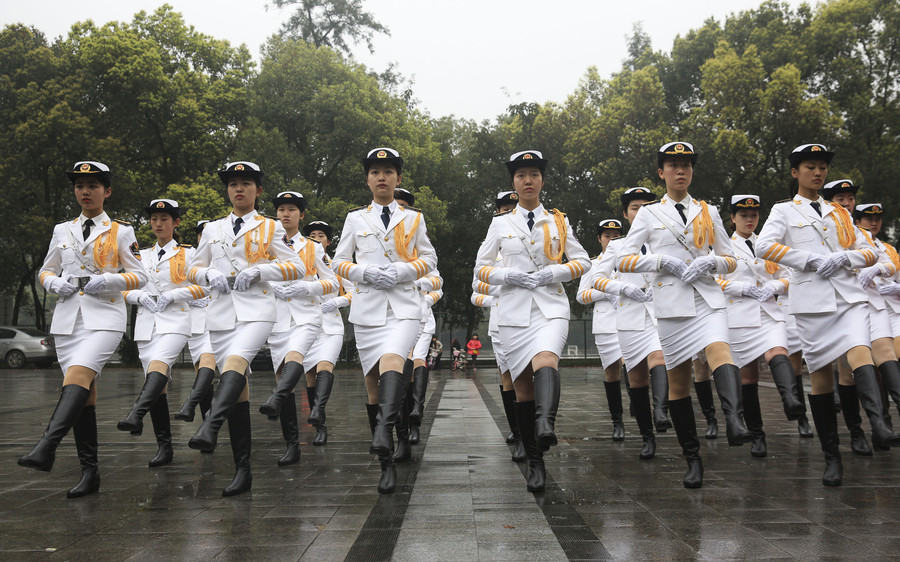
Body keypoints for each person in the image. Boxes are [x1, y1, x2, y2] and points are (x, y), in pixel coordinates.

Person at [616, 141, 751, 489]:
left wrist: (712, 262)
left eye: (687, 164)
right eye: (673, 165)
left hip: (707, 296)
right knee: (678, 383)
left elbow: (731, 258)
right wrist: (662, 262)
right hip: (671, 303)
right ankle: (692, 457)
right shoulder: (648, 214)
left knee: (719, 348)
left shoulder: (709, 211)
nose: (681, 170)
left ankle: (735, 419)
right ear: (661, 172)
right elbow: (624, 259)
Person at [757, 143, 893, 486]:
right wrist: (808, 259)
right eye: (810, 167)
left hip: (848, 297)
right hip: (812, 303)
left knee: (860, 351)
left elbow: (868, 251)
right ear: (795, 172)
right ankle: (832, 457)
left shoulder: (841, 212)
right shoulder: (784, 211)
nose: (818, 173)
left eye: (822, 167)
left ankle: (878, 423)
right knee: (819, 378)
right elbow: (764, 246)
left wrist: (846, 259)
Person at [20, 161, 147, 498]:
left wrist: (111, 279)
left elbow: (141, 276)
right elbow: (46, 271)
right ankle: (90, 473)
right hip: (67, 321)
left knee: (76, 377)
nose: (85, 191)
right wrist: (54, 284)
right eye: (79, 186)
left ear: (106, 191)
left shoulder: (122, 231)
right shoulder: (63, 230)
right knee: (84, 395)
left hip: (104, 317)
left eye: (92, 185)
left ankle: (46, 445)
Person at [474, 149, 591, 492]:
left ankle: (545, 422)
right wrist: (507, 276)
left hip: (550, 306)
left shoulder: (558, 220)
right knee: (523, 388)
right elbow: (481, 268)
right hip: (512, 312)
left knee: (546, 360)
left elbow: (582, 261)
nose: (528, 180)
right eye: (522, 175)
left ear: (542, 180)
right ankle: (535, 461)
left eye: (534, 174)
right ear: (514, 181)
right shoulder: (500, 223)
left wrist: (554, 271)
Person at [186, 161, 305, 496]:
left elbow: (295, 266)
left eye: (246, 183)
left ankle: (210, 425)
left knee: (235, 364)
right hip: (222, 313)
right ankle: (243, 470)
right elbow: (192, 270)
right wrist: (209, 275)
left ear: (258, 190)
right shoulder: (212, 229)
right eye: (233, 183)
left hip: (258, 310)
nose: (239, 189)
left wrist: (262, 271)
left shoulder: (269, 227)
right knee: (237, 388)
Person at [331, 147, 437, 494]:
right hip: (368, 310)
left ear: (398, 179)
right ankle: (388, 455)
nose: (381, 177)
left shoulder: (414, 218)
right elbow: (339, 262)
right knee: (375, 385)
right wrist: (365, 273)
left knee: (394, 361)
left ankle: (382, 435)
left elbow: (429, 259)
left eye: (388, 172)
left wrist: (402, 271)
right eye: (375, 172)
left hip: (405, 307)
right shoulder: (355, 219)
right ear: (367, 179)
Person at [118, 199, 209, 469]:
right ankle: (164, 446)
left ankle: (137, 412)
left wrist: (174, 294)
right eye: (154, 219)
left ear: (175, 222)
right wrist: (139, 297)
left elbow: (204, 288)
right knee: (157, 384)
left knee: (159, 367)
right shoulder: (140, 256)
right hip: (147, 324)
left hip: (177, 320)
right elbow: (123, 287)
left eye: (164, 219)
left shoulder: (189, 253)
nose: (158, 224)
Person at [717, 195, 807, 458]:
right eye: (743, 215)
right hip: (739, 315)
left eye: (754, 214)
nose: (749, 219)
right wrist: (738, 287)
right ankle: (757, 434)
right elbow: (712, 279)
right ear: (733, 218)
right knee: (748, 378)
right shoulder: (724, 247)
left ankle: (790, 400)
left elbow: (787, 274)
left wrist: (775, 286)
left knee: (778, 352)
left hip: (768, 310)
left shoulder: (767, 245)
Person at [593, 186, 672, 459]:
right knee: (637, 378)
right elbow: (596, 279)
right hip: (629, 317)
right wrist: (620, 288)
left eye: (645, 206)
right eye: (634, 208)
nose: (640, 212)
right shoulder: (616, 246)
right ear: (625, 214)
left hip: (659, 313)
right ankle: (647, 436)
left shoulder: (663, 239)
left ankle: (661, 410)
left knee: (659, 358)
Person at [823, 179, 899, 453]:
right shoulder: (822, 231)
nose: (846, 203)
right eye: (840, 199)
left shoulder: (863, 235)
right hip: (842, 306)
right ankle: (856, 431)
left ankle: (883, 426)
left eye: (850, 199)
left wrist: (879, 270)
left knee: (886, 357)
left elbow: (890, 261)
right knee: (848, 373)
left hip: (872, 304)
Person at [262, 191, 336, 466]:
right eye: (281, 209)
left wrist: (307, 286)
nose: (285, 214)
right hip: (277, 318)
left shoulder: (312, 248)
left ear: (301, 215)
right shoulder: (264, 245)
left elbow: (332, 284)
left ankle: (290, 407)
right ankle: (291, 443)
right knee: (283, 378)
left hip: (306, 315)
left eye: (291, 209)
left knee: (296, 361)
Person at [471, 190, 527, 463]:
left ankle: (532, 426)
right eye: (504, 209)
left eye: (512, 208)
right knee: (509, 378)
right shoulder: (491, 246)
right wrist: (497, 293)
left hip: (533, 315)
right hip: (502, 318)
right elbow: (475, 289)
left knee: (532, 375)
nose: (508, 212)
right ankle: (517, 430)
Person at [392, 188, 444, 453]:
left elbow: (437, 283)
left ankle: (415, 413)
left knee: (417, 361)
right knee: (400, 370)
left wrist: (419, 288)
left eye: (403, 207)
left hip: (421, 318)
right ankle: (402, 428)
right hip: (392, 318)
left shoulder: (420, 245)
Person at [302, 220, 353, 446]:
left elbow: (354, 293)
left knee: (325, 366)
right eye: (312, 235)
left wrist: (338, 302)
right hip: (306, 326)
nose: (316, 239)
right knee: (310, 376)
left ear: (328, 241)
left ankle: (318, 411)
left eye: (320, 235)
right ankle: (320, 425)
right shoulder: (300, 265)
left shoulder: (337, 267)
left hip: (331, 325)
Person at [577, 219, 627, 442]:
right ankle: (617, 421)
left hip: (630, 319)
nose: (611, 240)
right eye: (607, 236)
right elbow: (582, 295)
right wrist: (605, 292)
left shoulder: (629, 260)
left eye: (616, 235)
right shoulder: (593, 264)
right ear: (599, 239)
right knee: (612, 371)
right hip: (606, 323)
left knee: (633, 364)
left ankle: (639, 402)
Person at [855, 203, 900, 420]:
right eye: (868, 218)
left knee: (891, 361)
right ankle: (883, 421)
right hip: (867, 310)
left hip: (893, 311)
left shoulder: (889, 250)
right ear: (858, 221)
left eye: (877, 218)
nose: (873, 223)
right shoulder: (852, 247)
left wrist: (896, 287)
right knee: (874, 369)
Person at [174, 220, 217, 426]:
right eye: (201, 234)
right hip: (197, 320)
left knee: (210, 362)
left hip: (221, 317)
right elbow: (177, 284)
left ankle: (191, 403)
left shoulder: (223, 255)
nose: (203, 238)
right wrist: (190, 295)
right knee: (202, 370)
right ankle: (206, 421)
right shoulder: (189, 258)